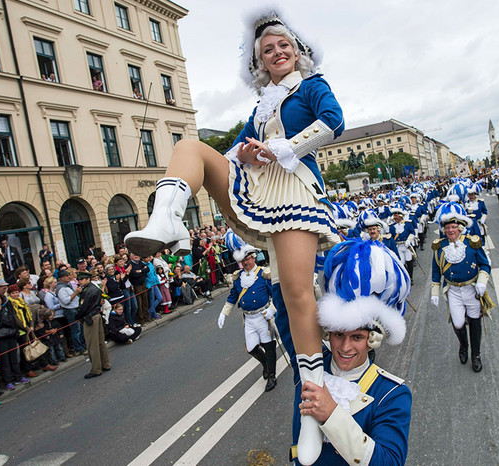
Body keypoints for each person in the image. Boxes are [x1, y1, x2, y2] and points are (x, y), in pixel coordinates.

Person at [125, 12, 344, 462]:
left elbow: (333, 122)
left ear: (297, 51)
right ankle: (167, 218)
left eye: (284, 46)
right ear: (260, 62)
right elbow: (233, 149)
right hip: (259, 186)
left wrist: (279, 148)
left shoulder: (312, 85)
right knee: (189, 147)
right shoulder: (262, 104)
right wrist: (244, 150)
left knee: (297, 293)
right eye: (268, 49)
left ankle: (311, 412)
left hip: (295, 185)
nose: (278, 53)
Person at [288, 239, 412, 465]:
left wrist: (332, 414)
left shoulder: (392, 393)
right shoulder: (310, 362)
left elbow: (390, 461)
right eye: (338, 335)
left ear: (372, 340)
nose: (345, 348)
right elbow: (292, 301)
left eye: (357, 337)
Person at [430, 202, 491, 373]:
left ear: (461, 227)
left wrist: (481, 281)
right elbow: (436, 272)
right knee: (457, 324)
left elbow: (485, 265)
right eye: (448, 227)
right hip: (453, 291)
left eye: (454, 227)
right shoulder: (439, 247)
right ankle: (463, 346)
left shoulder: (472, 243)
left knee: (475, 321)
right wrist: (434, 292)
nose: (450, 231)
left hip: (471, 289)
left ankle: (476, 355)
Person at [218, 231, 277, 392]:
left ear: (253, 257)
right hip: (249, 319)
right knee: (251, 348)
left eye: (247, 259)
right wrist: (224, 313)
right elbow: (232, 298)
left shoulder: (264, 274)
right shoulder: (238, 278)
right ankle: (266, 363)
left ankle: (271, 375)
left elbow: (276, 296)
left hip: (264, 317)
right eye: (242, 260)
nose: (245, 263)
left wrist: (272, 310)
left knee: (269, 346)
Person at [0, 292, 28, 390]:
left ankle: (18, 377)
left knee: (14, 358)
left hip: (11, 337)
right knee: (5, 361)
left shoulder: (7, 309)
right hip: (0, 340)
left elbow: (12, 321)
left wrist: (2, 321)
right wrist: (4, 321)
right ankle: (8, 381)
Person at [75, 271, 111, 378]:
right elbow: (104, 296)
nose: (80, 282)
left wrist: (77, 316)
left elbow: (83, 307)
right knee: (100, 342)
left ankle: (96, 369)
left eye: (81, 279)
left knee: (92, 345)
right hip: (97, 315)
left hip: (90, 317)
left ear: (87, 279)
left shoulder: (87, 291)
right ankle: (105, 364)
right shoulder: (95, 288)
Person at [56, 269, 86, 356]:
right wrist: (76, 292)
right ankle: (78, 348)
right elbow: (66, 301)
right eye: (66, 276)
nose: (69, 277)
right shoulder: (61, 288)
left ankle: (83, 346)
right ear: (61, 278)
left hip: (75, 309)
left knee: (80, 328)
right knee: (76, 330)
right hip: (70, 310)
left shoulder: (67, 286)